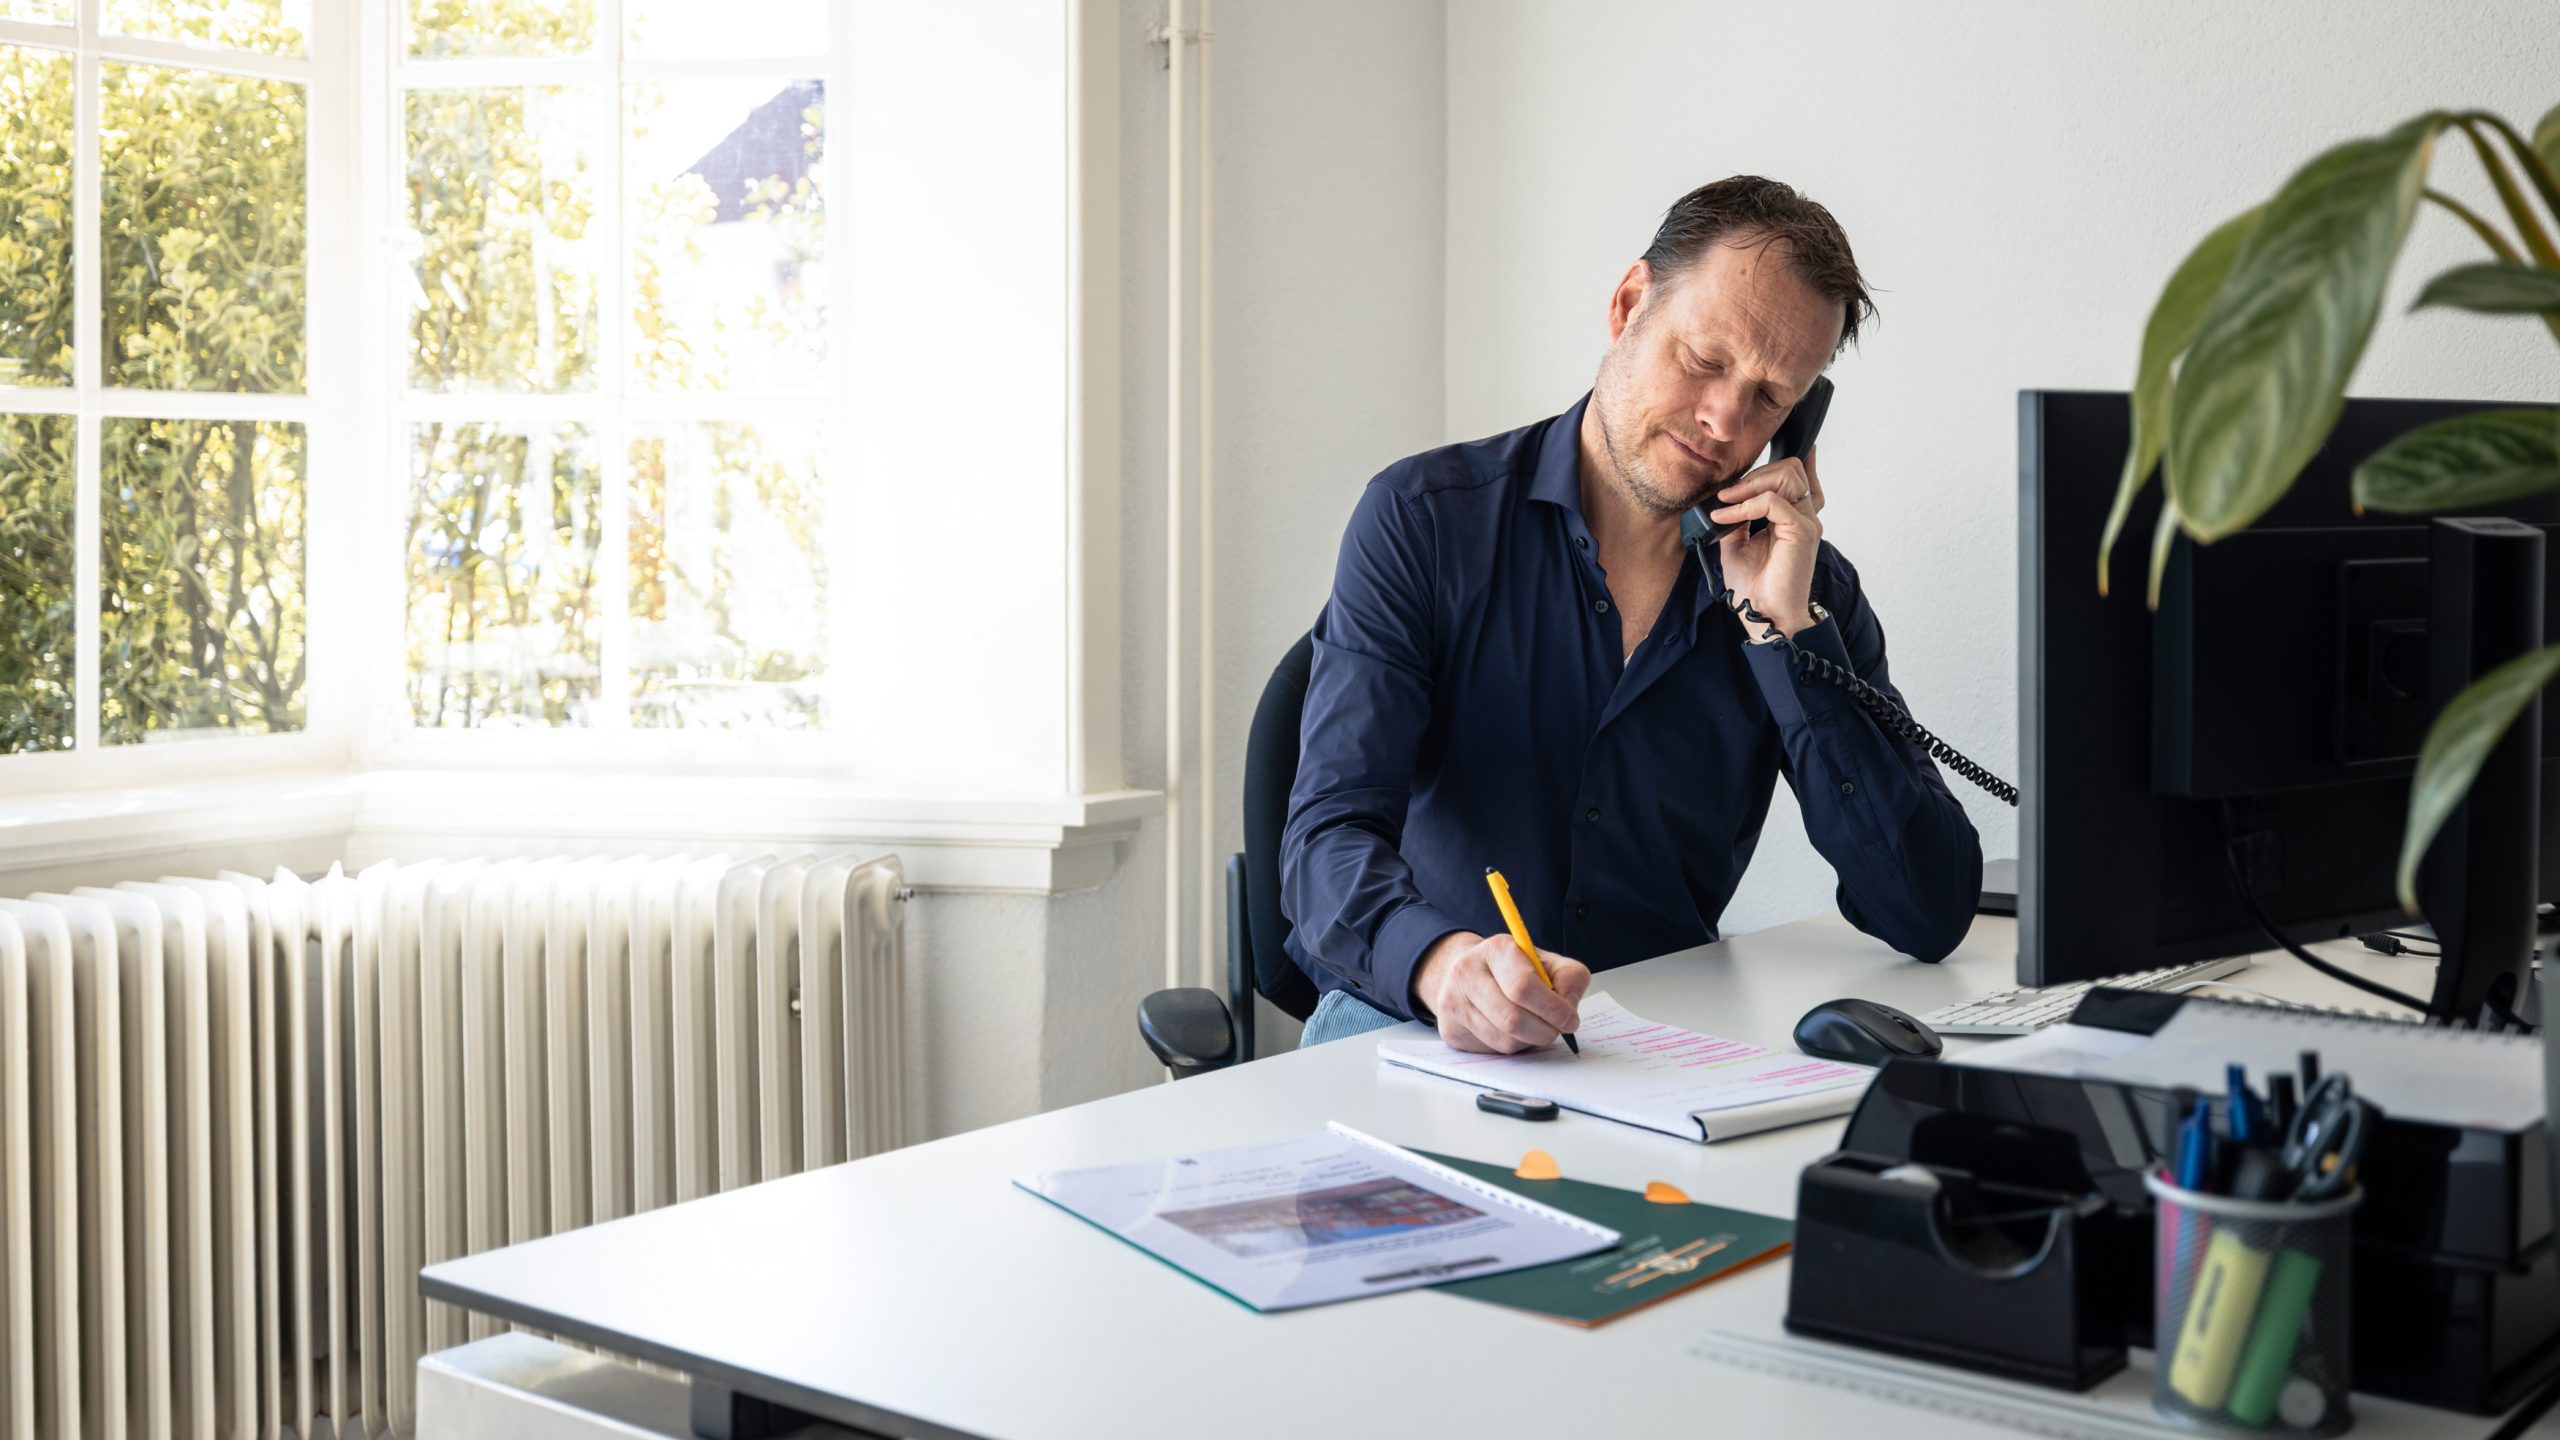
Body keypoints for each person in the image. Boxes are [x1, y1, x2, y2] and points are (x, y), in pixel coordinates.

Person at [1283, 175, 1983, 1053]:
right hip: (1407, 1021)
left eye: (1769, 397)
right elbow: (1324, 841)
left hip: (1653, 1053)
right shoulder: (1424, 520)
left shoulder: (1805, 594)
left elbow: (1930, 910)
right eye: (1705, 359)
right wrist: (1441, 965)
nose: (1726, 419)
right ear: (1627, 306)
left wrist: (1785, 633)